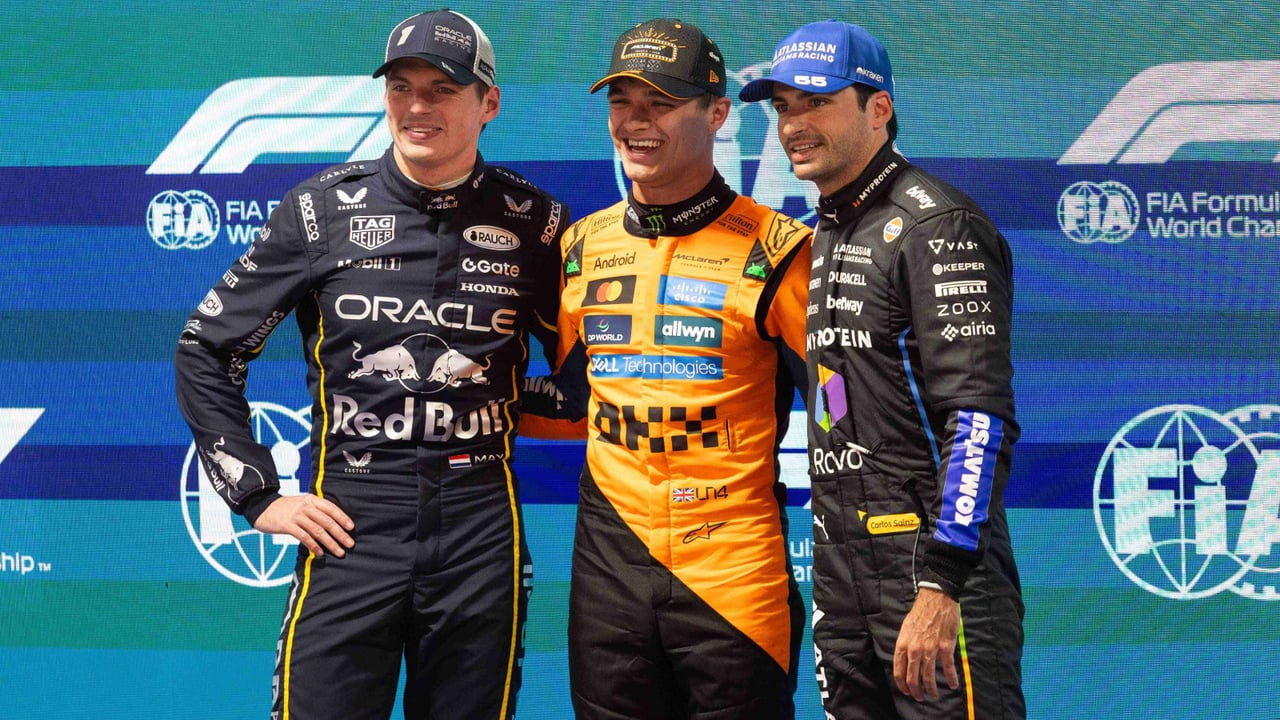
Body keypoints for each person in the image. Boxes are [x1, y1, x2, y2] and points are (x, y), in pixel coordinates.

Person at [173, 9, 570, 719]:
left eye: (442, 89)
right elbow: (207, 347)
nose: (417, 108)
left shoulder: (535, 222)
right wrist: (256, 495)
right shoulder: (320, 211)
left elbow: (589, 372)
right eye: (401, 88)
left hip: (480, 532)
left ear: (489, 103)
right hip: (349, 526)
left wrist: (512, 396)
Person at [739, 19, 1025, 720]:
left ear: (879, 108)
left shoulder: (936, 226)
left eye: (817, 102)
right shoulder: (826, 231)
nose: (794, 125)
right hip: (842, 574)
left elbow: (979, 419)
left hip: (930, 575)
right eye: (783, 107)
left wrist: (942, 584)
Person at [546, 17, 813, 720]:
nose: (636, 122)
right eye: (622, 102)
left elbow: (842, 412)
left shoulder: (782, 248)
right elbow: (570, 401)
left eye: (660, 103)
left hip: (734, 574)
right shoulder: (580, 245)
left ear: (717, 113)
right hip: (610, 572)